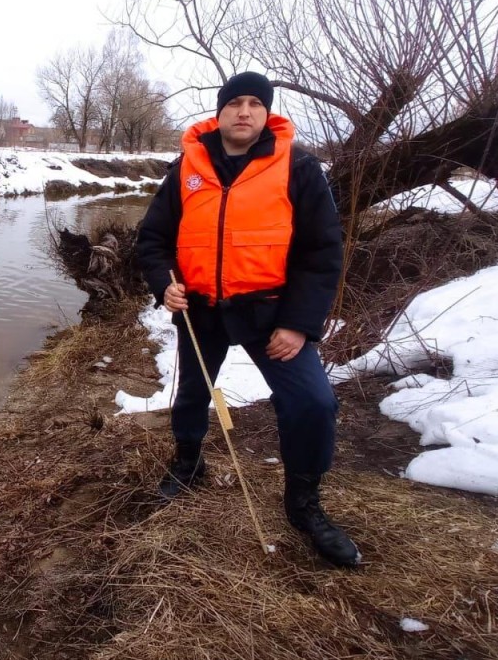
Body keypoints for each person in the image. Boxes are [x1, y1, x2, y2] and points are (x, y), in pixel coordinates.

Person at [135, 72, 360, 567]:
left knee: (313, 403)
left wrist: (299, 323)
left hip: (272, 313)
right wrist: (163, 282)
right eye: (234, 102)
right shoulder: (186, 168)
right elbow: (152, 239)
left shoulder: (298, 167)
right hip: (200, 312)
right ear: (219, 112)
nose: (243, 112)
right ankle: (189, 464)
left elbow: (322, 253)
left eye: (254, 103)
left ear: (267, 113)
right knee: (193, 392)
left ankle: (304, 506)